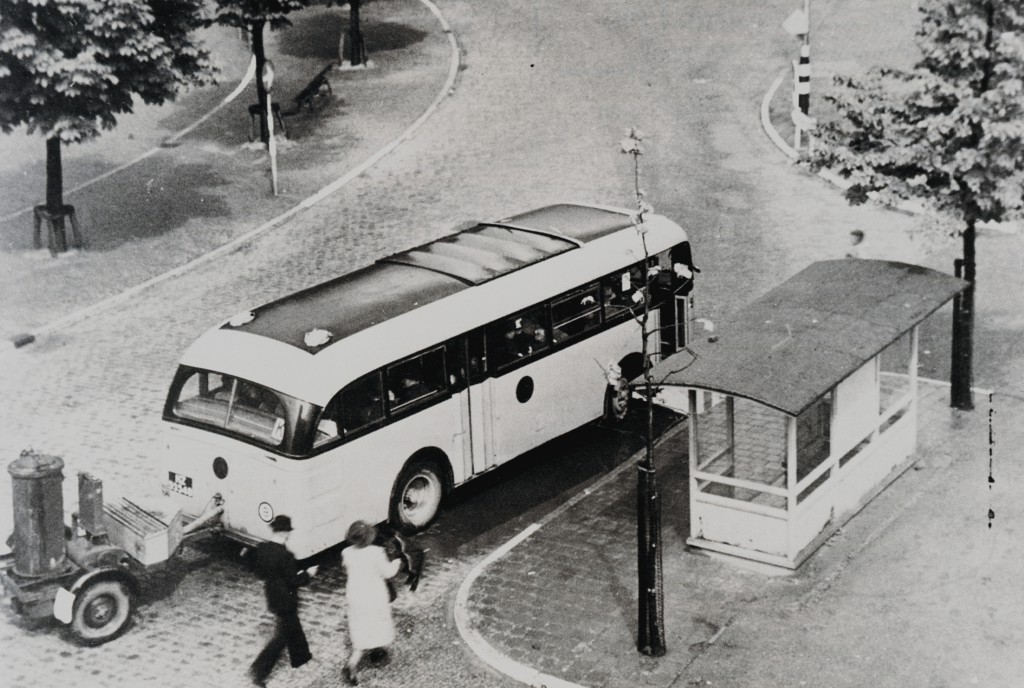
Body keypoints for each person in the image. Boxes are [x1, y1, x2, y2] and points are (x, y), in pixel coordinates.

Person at [248, 515, 318, 687]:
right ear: (286, 533)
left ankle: (302, 657)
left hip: (272, 595)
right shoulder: (285, 555)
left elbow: (259, 573)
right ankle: (259, 671)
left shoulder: (262, 548)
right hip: (286, 598)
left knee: (291, 627)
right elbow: (294, 580)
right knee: (282, 636)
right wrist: (309, 574)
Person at [341, 520, 402, 685]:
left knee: (361, 626)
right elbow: (388, 572)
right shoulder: (376, 552)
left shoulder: (346, 552)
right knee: (377, 623)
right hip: (373, 595)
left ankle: (357, 659)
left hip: (355, 595)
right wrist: (396, 562)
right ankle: (370, 654)